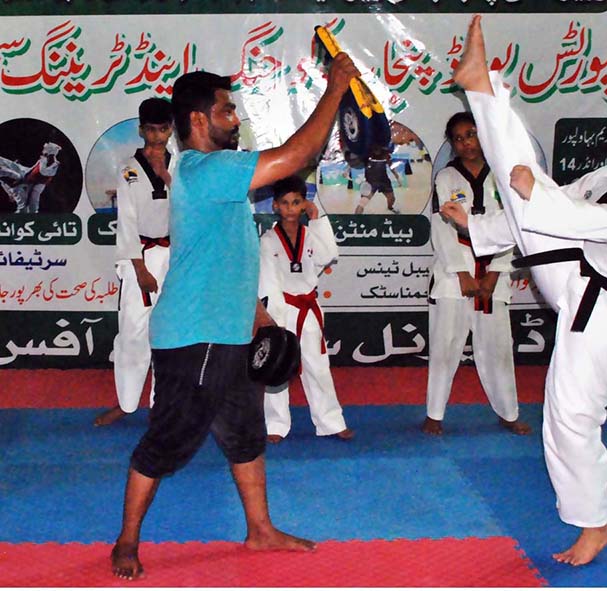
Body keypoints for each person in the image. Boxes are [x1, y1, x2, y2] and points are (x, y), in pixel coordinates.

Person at [441, 15, 607, 566]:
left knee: (572, 417)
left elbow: (606, 226)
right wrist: (477, 225)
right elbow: (551, 201)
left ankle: (595, 525)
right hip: (582, 287)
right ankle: (484, 89)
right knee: (526, 190)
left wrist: (535, 197)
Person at [110, 52, 359, 581]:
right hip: (192, 337)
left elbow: (224, 256)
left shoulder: (217, 180)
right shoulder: (204, 170)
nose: (236, 118)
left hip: (229, 330)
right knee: (166, 442)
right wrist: (334, 89)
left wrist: (256, 315)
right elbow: (296, 154)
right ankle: (126, 539)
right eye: (227, 110)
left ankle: (260, 529)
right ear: (198, 120)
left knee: (245, 434)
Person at [423, 111, 530, 437]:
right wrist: (462, 274)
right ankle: (434, 414)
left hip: (492, 280)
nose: (466, 142)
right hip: (454, 279)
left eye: (471, 134)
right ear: (452, 145)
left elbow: (510, 228)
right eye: (459, 138)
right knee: (445, 347)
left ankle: (508, 412)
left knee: (498, 348)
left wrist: (495, 274)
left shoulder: (502, 177)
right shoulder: (446, 178)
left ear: (483, 135)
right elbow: (442, 230)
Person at [94, 98, 173, 427]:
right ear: (142, 130)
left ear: (172, 131)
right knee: (132, 331)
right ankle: (126, 403)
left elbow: (189, 205)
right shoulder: (127, 168)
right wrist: (139, 267)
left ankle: (162, 404)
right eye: (151, 130)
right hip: (138, 254)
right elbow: (126, 220)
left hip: (174, 255)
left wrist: (165, 174)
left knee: (168, 332)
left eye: (163, 130)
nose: (157, 137)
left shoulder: (182, 165)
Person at [258, 175, 354, 443]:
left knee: (318, 366)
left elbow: (329, 256)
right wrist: (273, 320)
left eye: (297, 202)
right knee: (277, 368)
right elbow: (267, 280)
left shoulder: (311, 235)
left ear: (304, 204)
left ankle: (331, 421)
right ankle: (275, 424)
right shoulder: (268, 241)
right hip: (282, 308)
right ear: (275, 206)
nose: (291, 208)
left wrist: (318, 218)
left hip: (308, 310)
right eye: (285, 203)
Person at [0, 141, 61, 213]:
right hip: (28, 175)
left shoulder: (51, 164)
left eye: (45, 149)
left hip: (34, 181)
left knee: (31, 204)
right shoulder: (43, 160)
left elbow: (42, 172)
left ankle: (30, 214)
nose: (43, 150)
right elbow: (33, 169)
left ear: (50, 151)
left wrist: (18, 183)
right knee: (9, 164)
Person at [354, 143, 401, 214]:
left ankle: (390, 207)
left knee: (392, 199)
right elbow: (355, 162)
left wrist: (397, 178)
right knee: (362, 203)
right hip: (370, 183)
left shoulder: (385, 154)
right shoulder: (366, 154)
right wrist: (347, 170)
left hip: (384, 182)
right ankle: (355, 220)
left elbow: (391, 166)